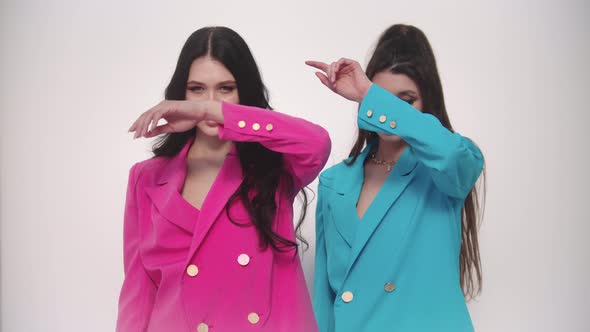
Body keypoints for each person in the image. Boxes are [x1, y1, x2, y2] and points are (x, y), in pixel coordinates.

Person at [117, 26, 330, 332]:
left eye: (226, 88)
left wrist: (210, 110)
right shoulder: (146, 177)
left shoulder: (275, 165)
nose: (211, 100)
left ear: (244, 91)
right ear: (182, 92)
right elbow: (138, 290)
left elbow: (317, 143)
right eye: (197, 89)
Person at [307, 24, 485, 331]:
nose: (388, 112)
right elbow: (325, 297)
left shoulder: (447, 168)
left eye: (407, 100)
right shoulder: (335, 182)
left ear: (428, 102)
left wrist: (371, 95)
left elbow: (452, 155)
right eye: (382, 98)